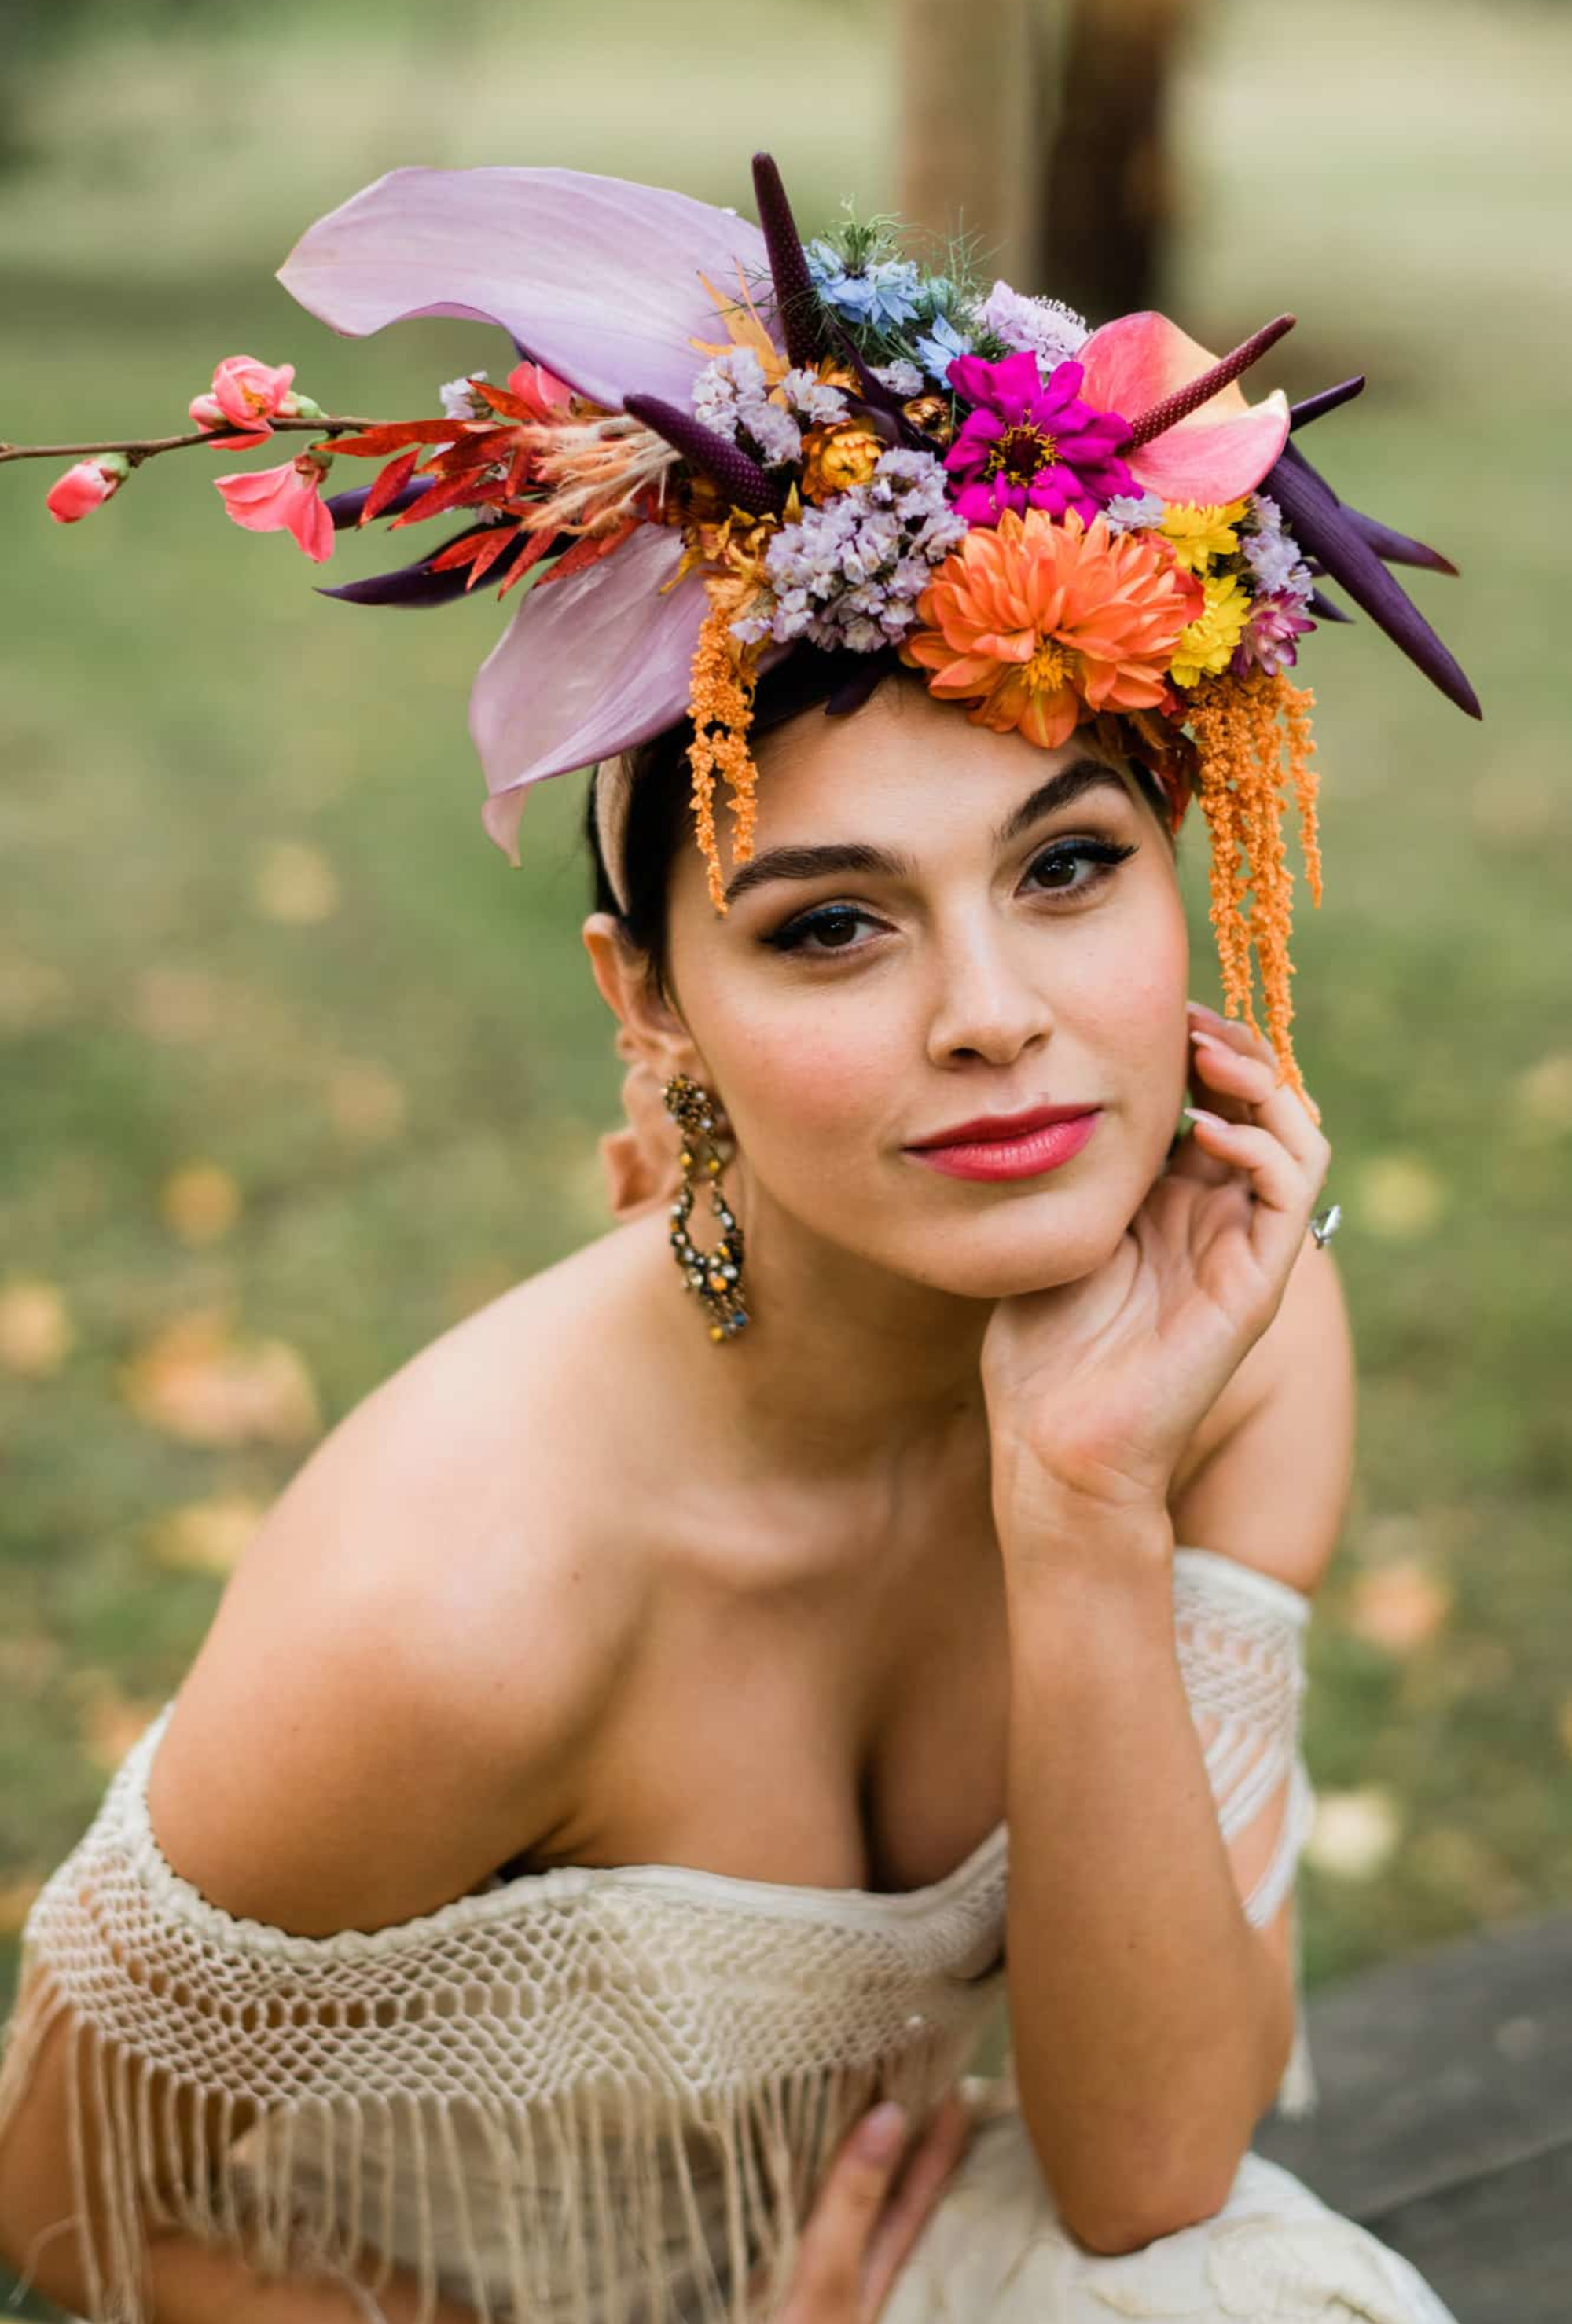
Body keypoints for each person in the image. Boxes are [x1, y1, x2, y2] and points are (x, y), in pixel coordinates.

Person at [0, 155, 1478, 2323]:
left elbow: (1157, 2163)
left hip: (891, 2245)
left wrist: (1085, 1504)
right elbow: (64, 2215)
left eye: (1066, 868)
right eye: (834, 924)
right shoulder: (454, 1598)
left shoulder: (1231, 1338)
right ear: (653, 1007)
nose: (992, 1011)